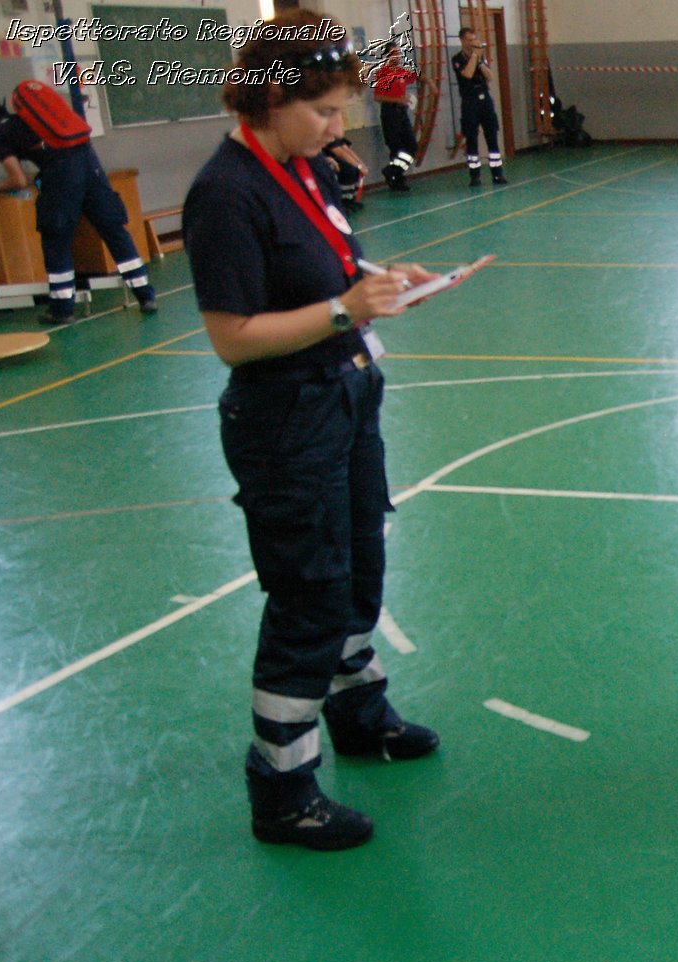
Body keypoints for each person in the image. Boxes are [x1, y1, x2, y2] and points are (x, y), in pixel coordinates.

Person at [182, 9, 444, 851]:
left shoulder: (303, 170)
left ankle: (358, 715)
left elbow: (331, 264)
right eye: (325, 110)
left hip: (344, 399)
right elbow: (233, 337)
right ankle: (283, 786)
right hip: (286, 421)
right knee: (309, 596)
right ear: (271, 99)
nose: (339, 129)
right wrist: (341, 310)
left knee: (360, 563)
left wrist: (380, 281)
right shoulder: (225, 193)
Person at [0, 93, 156, 324]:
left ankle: (62, 309)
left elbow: (18, 180)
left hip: (62, 173)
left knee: (56, 238)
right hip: (89, 160)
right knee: (114, 230)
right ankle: (146, 296)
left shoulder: (0, 134)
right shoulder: (34, 119)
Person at [452, 27, 508, 187]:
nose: (472, 43)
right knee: (471, 138)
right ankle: (475, 176)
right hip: (470, 101)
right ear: (463, 40)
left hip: (485, 100)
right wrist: (474, 56)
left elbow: (490, 77)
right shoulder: (458, 59)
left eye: (474, 39)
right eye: (469, 40)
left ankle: (497, 174)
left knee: (492, 135)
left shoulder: (480, 57)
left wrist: (480, 61)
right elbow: (467, 74)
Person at [371, 44, 427, 192]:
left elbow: (417, 75)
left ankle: (393, 170)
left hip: (402, 113)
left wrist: (430, 82)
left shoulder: (401, 72)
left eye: (399, 53)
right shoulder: (383, 73)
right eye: (395, 53)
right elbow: (377, 96)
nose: (399, 56)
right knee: (396, 147)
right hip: (390, 113)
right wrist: (397, 100)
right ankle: (398, 178)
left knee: (411, 146)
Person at [323, 135, 367, 212]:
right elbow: (339, 151)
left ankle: (351, 199)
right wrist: (358, 166)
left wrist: (361, 164)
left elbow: (345, 148)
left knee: (355, 169)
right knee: (347, 169)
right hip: (326, 158)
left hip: (334, 158)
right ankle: (343, 201)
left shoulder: (335, 134)